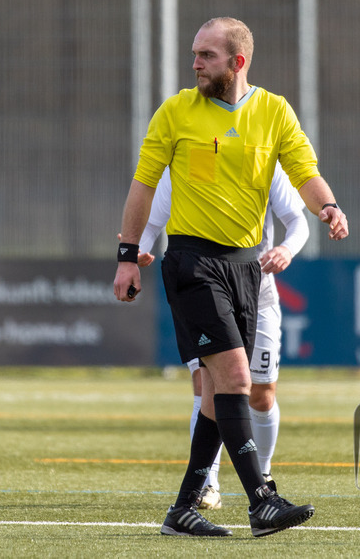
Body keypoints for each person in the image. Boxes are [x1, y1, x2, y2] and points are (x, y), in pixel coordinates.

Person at [114, 17, 348, 538]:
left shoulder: (274, 112)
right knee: (237, 381)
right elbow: (143, 187)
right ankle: (261, 500)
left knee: (215, 397)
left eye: (206, 55)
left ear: (237, 62)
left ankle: (183, 509)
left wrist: (327, 207)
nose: (195, 63)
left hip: (248, 267)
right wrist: (129, 254)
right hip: (194, 264)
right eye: (195, 54)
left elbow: (305, 174)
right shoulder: (175, 112)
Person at [135, 165, 309, 511]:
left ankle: (262, 476)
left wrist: (286, 249)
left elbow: (298, 221)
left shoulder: (261, 158)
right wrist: (136, 251)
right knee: (207, 386)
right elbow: (153, 220)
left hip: (258, 294)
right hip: (203, 287)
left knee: (259, 394)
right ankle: (208, 486)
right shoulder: (186, 160)